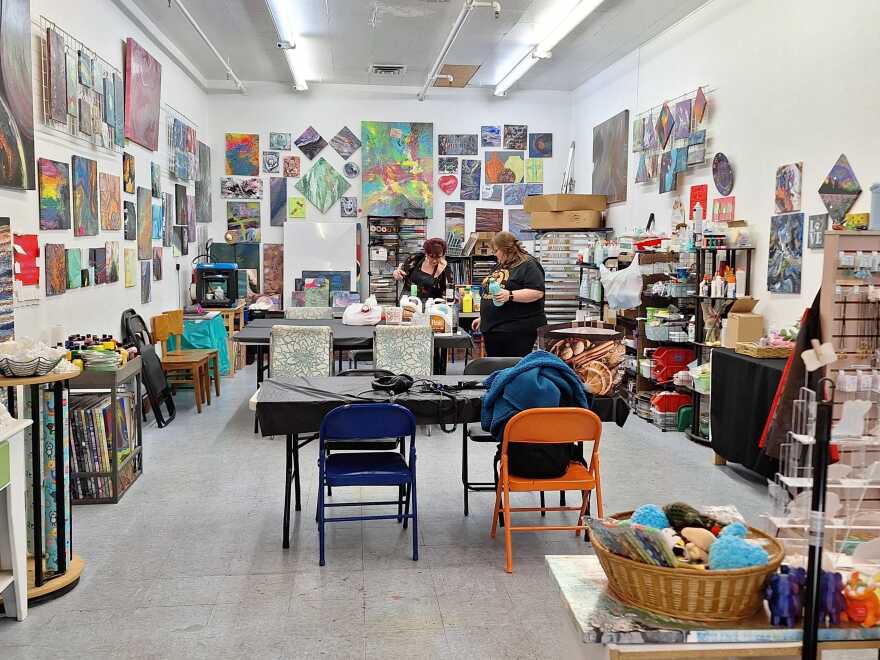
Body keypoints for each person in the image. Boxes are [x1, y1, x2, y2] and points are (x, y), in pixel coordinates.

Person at [472, 231, 546, 357]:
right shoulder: (501, 265)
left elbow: (537, 292)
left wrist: (510, 295)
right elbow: (492, 291)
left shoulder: (528, 264)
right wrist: (485, 317)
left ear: (506, 249)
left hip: (516, 329)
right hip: (494, 329)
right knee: (495, 369)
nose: (494, 254)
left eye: (496, 251)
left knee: (510, 368)